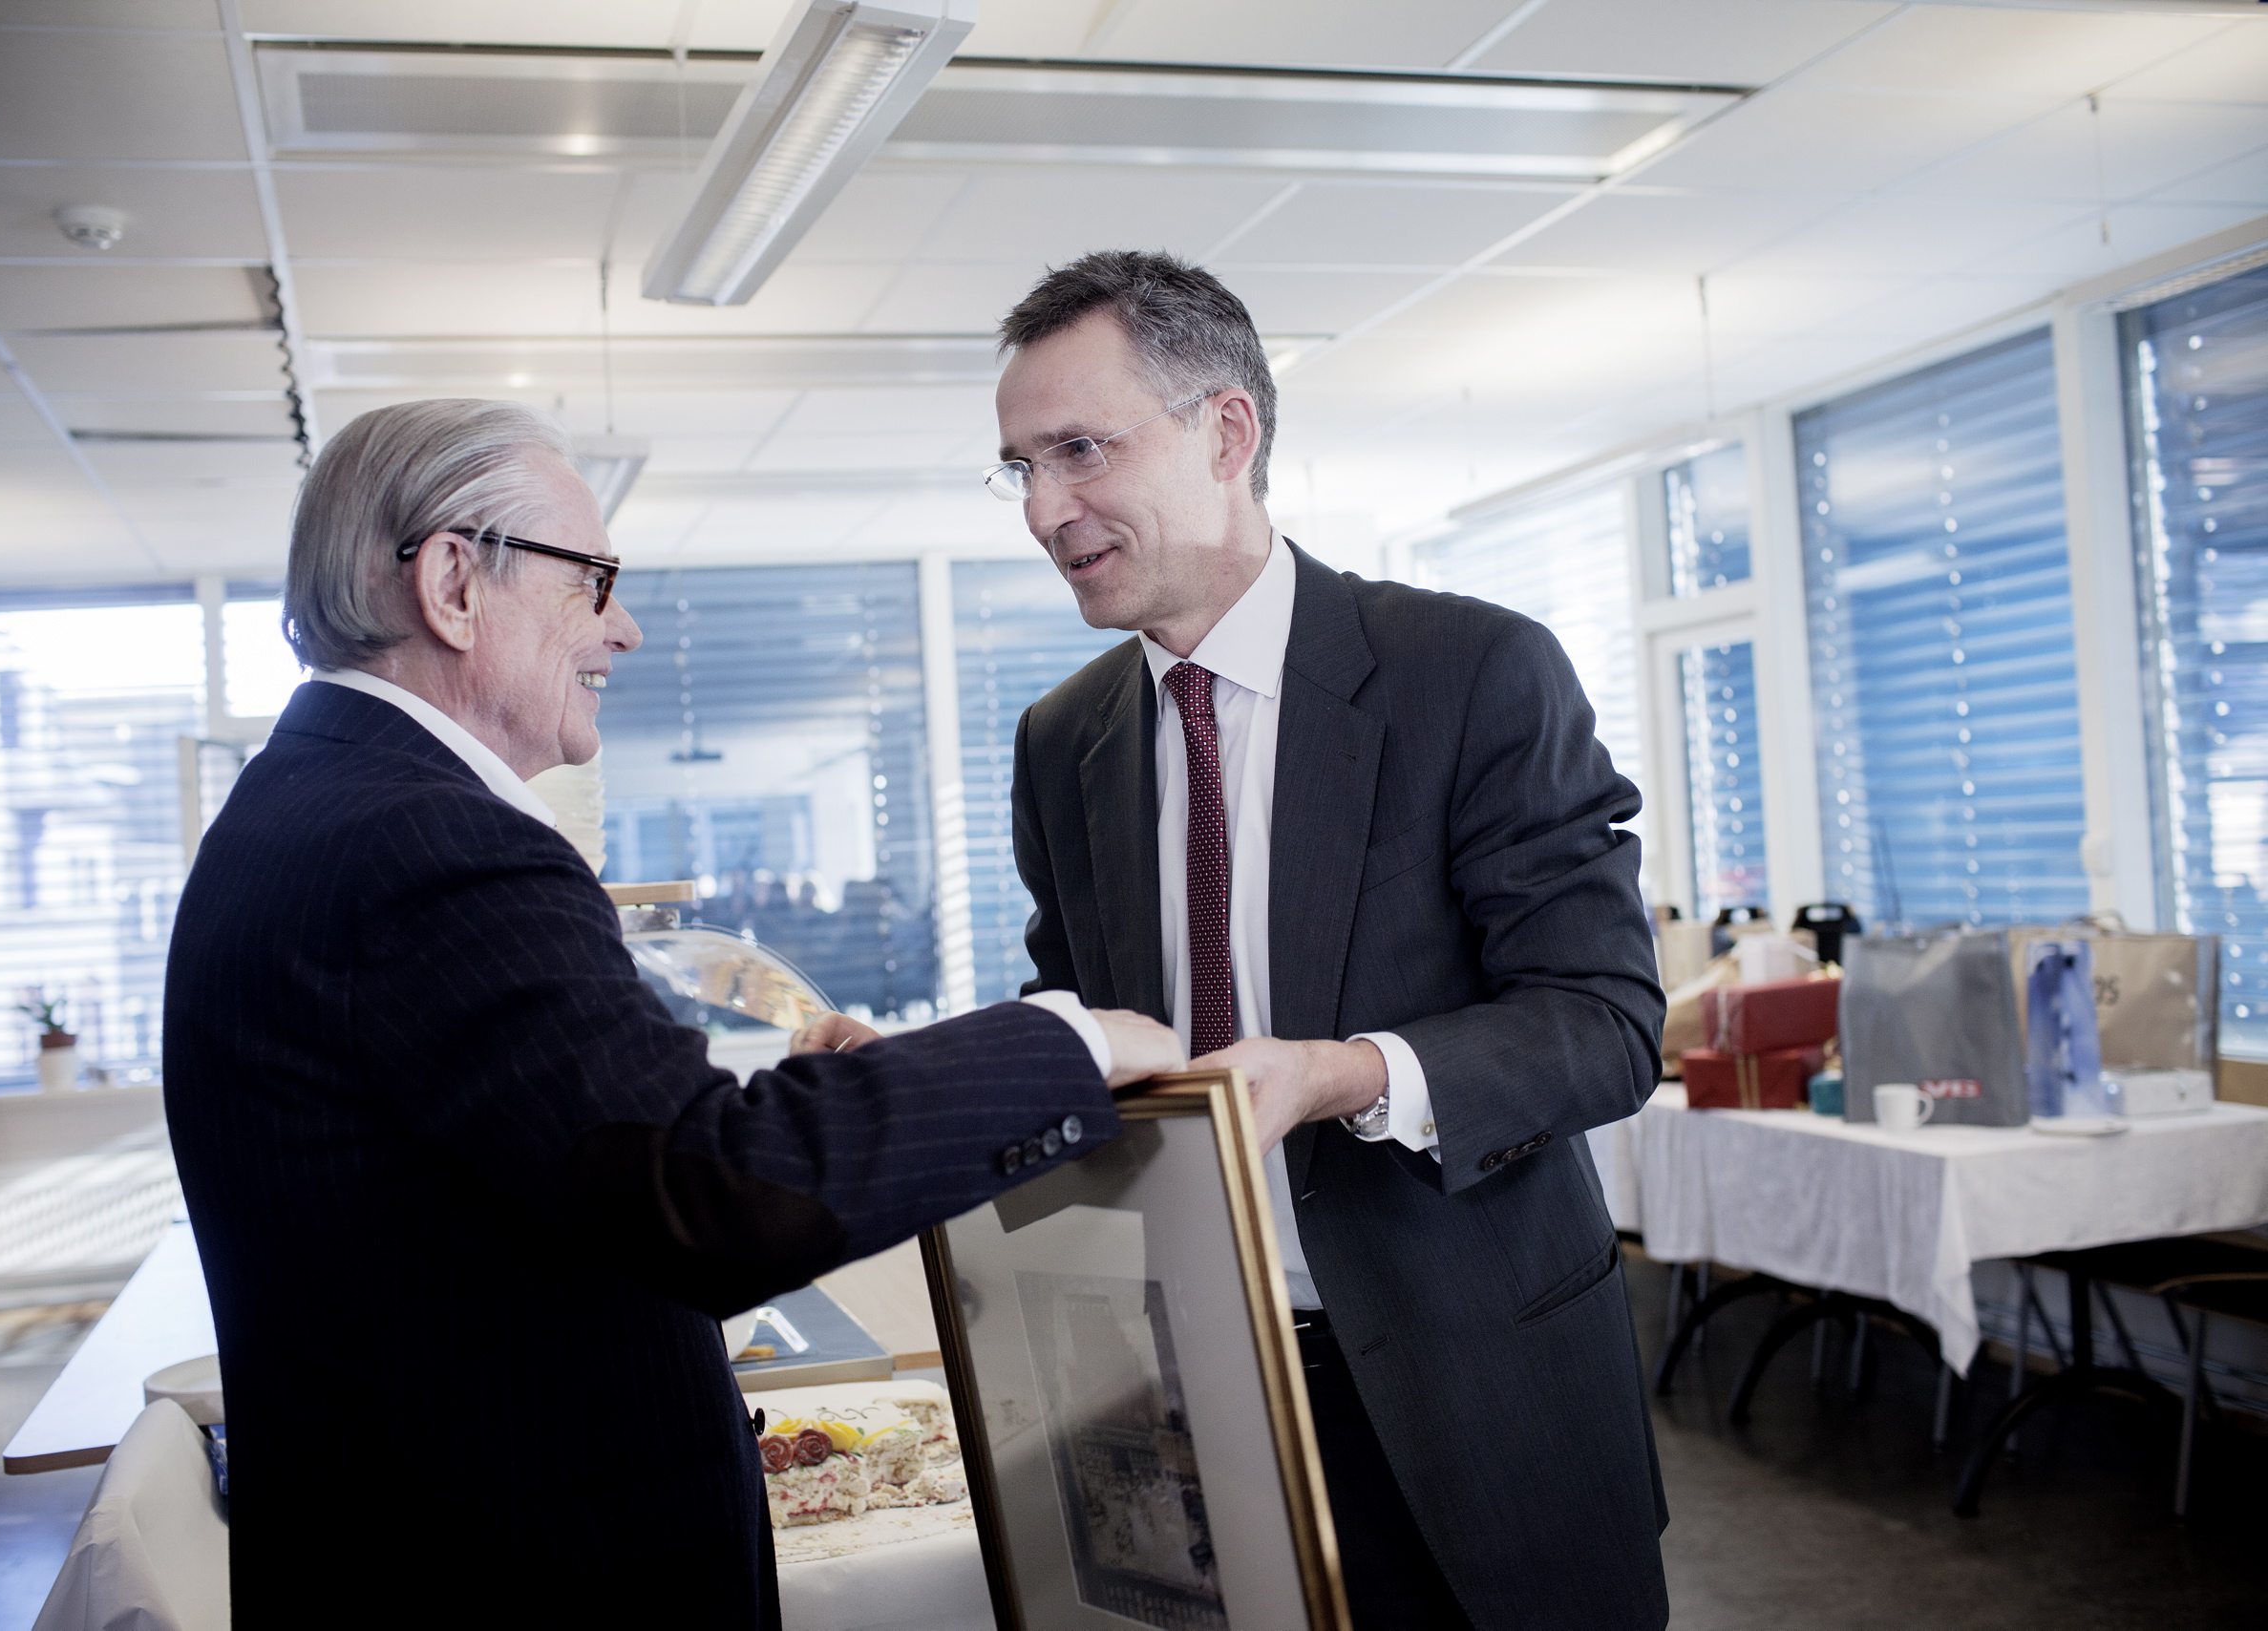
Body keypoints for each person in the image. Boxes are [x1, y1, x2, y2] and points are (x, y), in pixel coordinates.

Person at [162, 398, 1179, 1628]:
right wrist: (1070, 1041)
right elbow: (706, 1189)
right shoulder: (431, 840)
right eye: (594, 581)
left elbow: (595, 1147)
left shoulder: (312, 804)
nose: (625, 629)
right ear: (451, 582)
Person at [995, 252, 1668, 1631]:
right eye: (1018, 467)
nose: (1045, 509)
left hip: (1477, 1386)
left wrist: (1335, 1075)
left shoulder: (1472, 672)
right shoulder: (1064, 740)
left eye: (1079, 450)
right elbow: (1084, 1020)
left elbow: (1605, 1023)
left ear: (1225, 433)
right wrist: (945, 1067)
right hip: (1186, 1388)